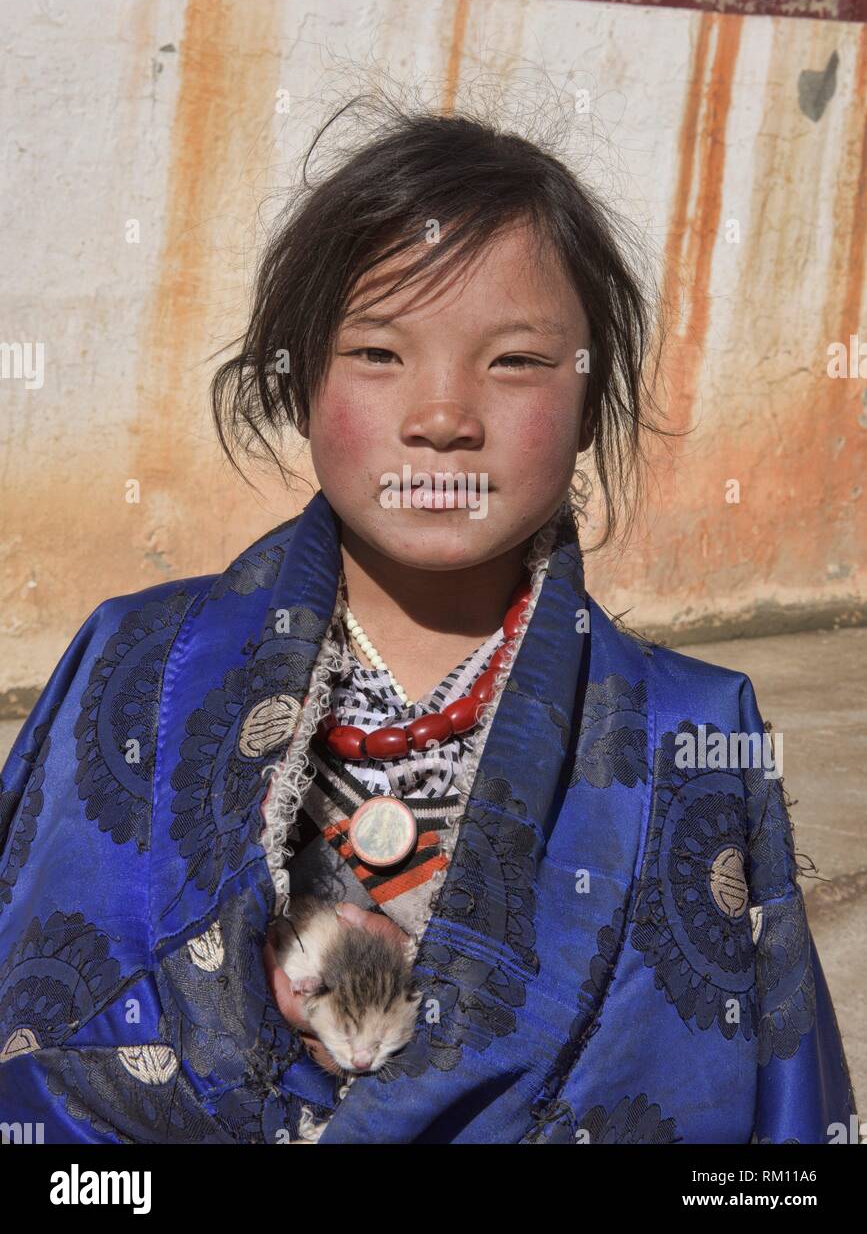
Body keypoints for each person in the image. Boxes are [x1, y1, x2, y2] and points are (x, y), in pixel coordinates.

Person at [0, 106, 856, 1144]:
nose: (443, 415)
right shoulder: (132, 670)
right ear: (296, 379)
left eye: (514, 362)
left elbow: (776, 1124)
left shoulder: (697, 737)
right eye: (377, 351)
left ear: (591, 403)